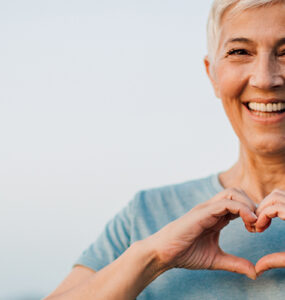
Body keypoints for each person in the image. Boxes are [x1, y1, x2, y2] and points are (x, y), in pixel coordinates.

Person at [44, 0, 285, 299]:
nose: (265, 78)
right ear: (212, 74)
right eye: (239, 52)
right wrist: (151, 259)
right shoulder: (146, 215)